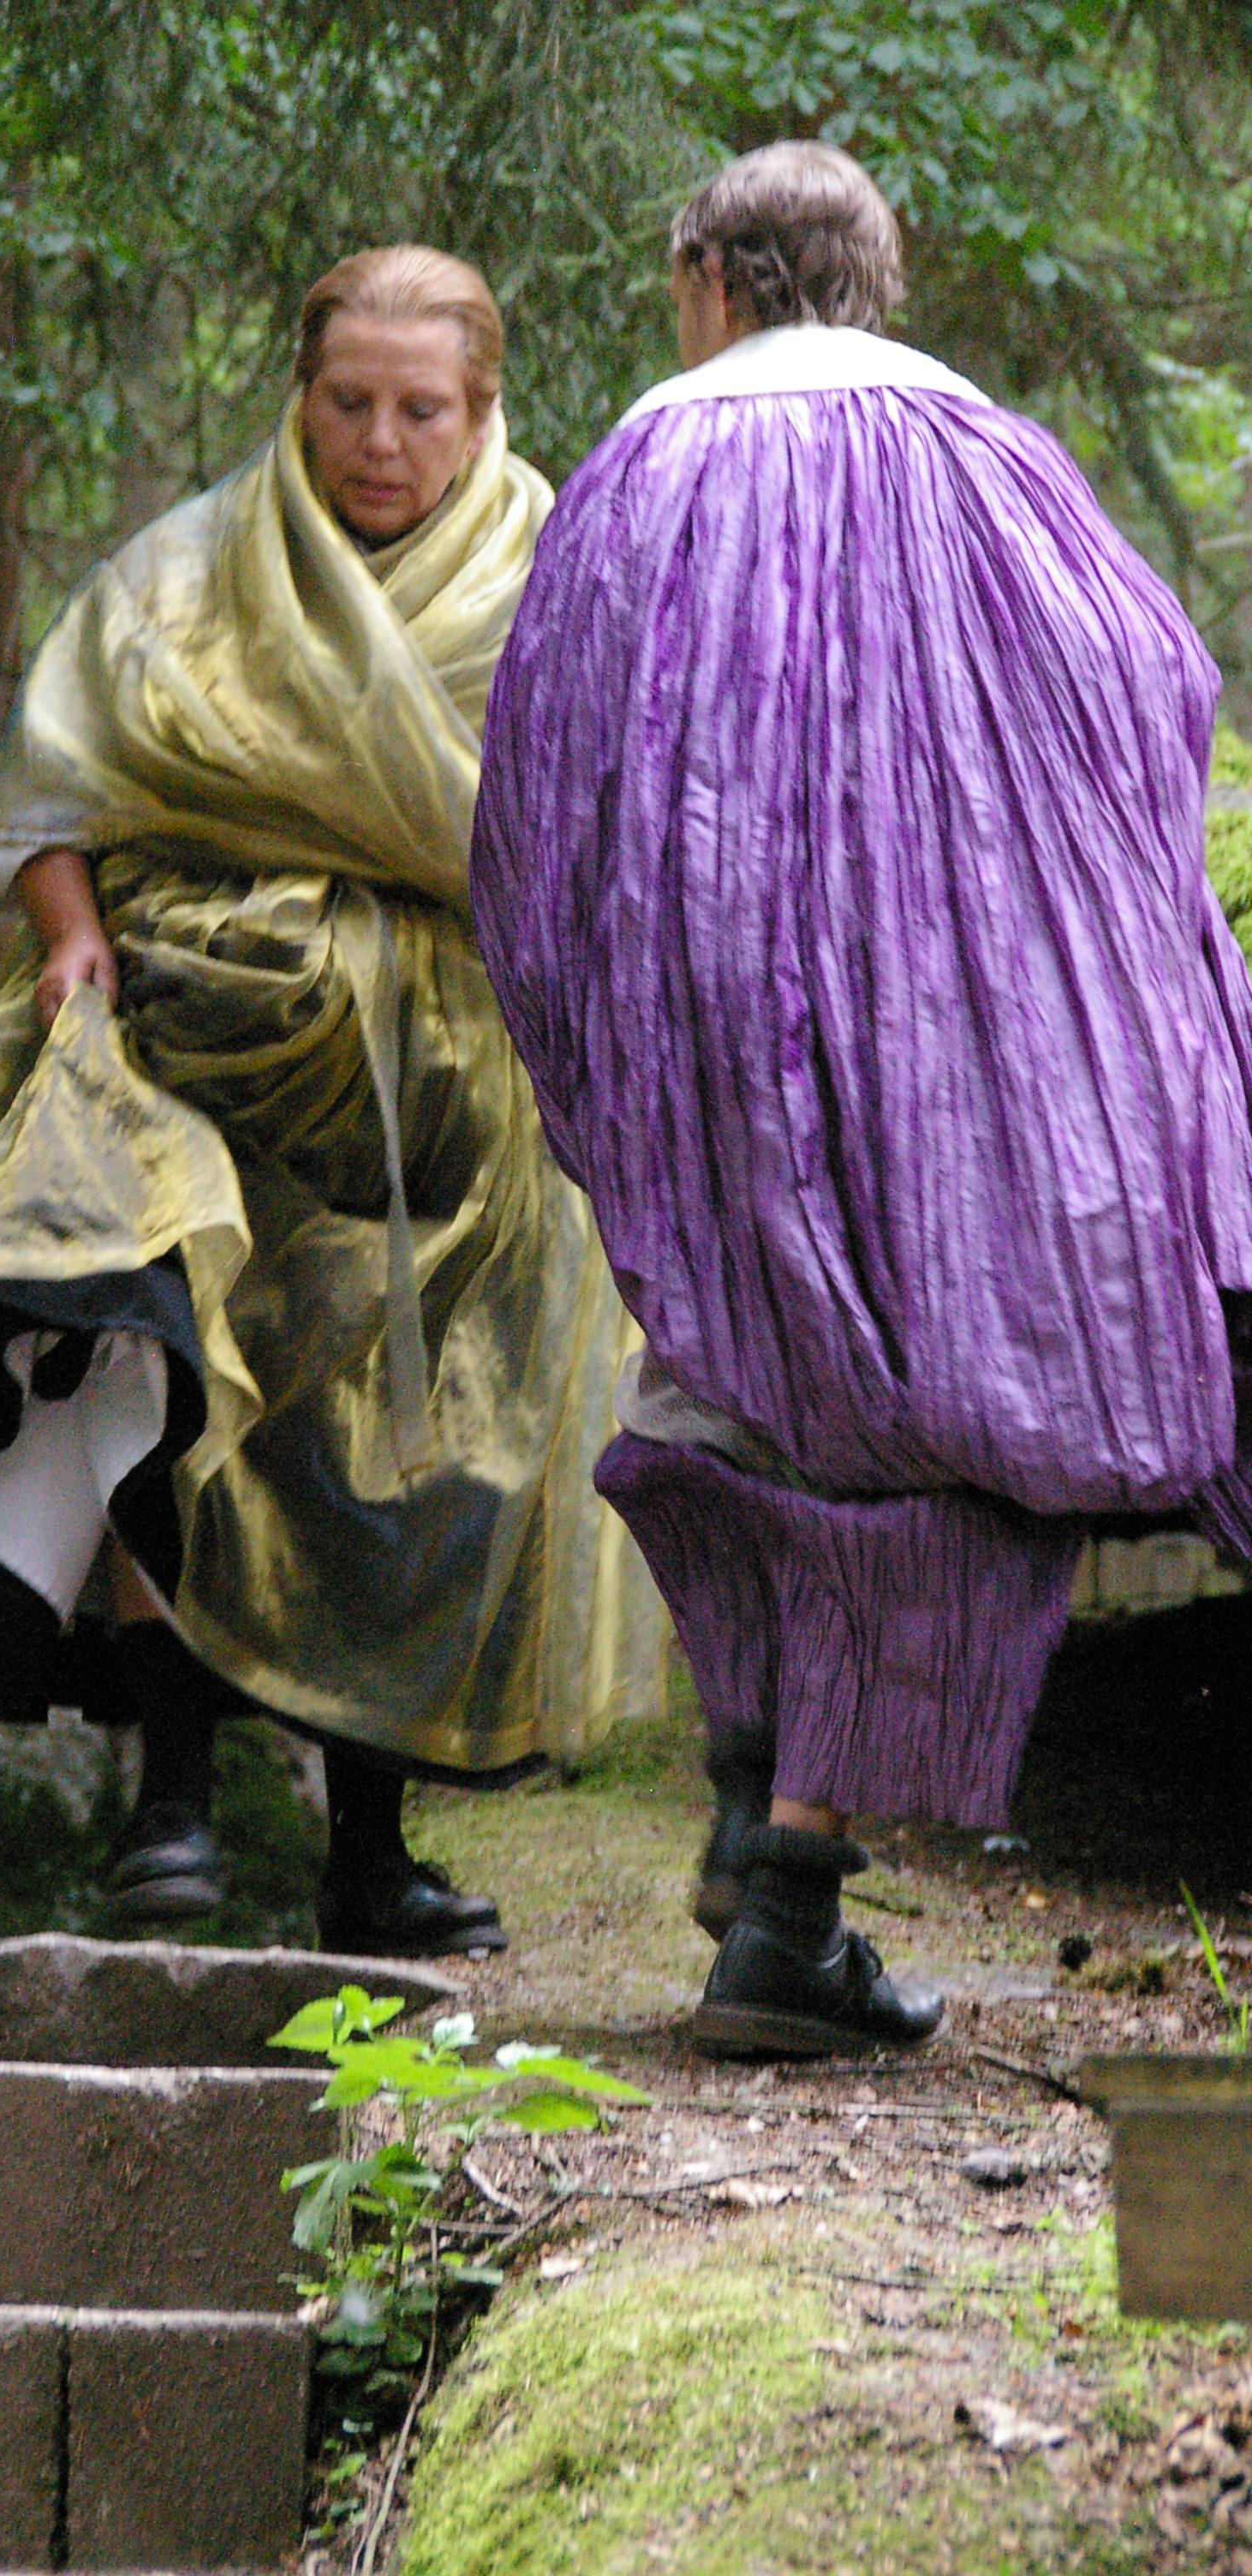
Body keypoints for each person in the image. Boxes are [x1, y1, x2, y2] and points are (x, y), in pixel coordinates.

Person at [471, 143, 1252, 2053]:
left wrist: (602, 1029)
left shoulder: (639, 467)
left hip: (703, 1013)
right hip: (945, 1030)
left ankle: (763, 1834)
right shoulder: (996, 460)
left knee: (742, 1381)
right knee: (950, 1421)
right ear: (870, 281)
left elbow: (538, 780)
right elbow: (1150, 693)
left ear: (711, 282)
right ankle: (786, 1897)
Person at [0, 246, 665, 1959]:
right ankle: (171, 1815)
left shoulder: (563, 581)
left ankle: (371, 1858)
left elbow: (618, 822)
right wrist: (70, 943)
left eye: (421, 409)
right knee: (167, 1382)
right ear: (300, 395)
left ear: (483, 411)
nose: (380, 441)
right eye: (348, 401)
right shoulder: (187, 573)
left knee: (412, 1451)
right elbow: (49, 793)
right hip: (197, 1041)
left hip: (457, 1100)